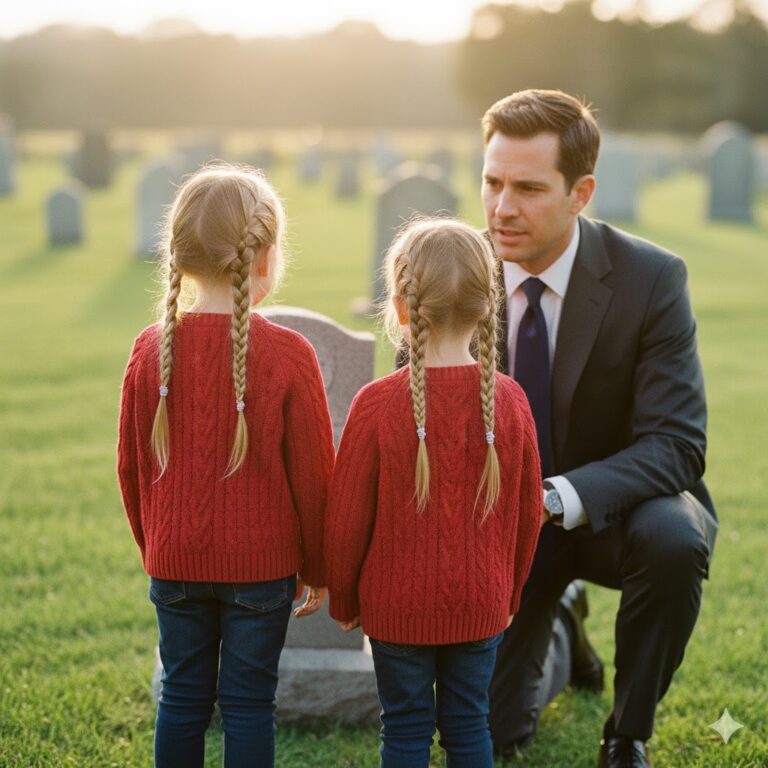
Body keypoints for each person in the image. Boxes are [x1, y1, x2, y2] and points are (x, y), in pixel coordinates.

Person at [481, 90, 718, 768]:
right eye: (492, 183)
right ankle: (561, 623)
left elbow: (677, 443)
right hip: (508, 532)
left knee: (675, 537)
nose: (501, 208)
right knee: (496, 734)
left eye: (527, 188)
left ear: (580, 192)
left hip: (619, 516)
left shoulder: (652, 279)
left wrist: (557, 497)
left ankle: (626, 734)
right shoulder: (454, 270)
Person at [116, 164, 335, 768]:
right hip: (261, 575)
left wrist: (155, 546)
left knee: (181, 700)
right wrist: (318, 565)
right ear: (265, 257)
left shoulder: (150, 348)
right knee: (247, 705)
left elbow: (131, 470)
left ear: (179, 255)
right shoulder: (290, 355)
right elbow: (315, 480)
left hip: (175, 563)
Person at [324, 217, 543, 768]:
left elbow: (347, 521)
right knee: (469, 725)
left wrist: (345, 600)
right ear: (487, 306)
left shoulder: (375, 405)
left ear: (400, 308)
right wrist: (509, 594)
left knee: (403, 731)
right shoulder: (511, 402)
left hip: (395, 608)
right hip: (481, 603)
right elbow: (526, 514)